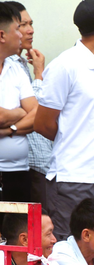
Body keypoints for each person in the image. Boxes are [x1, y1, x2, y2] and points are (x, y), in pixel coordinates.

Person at [33, 0, 94, 240]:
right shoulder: (66, 65)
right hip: (73, 178)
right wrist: (76, 139)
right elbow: (42, 123)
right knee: (70, 247)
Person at [6, 1, 50, 206]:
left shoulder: (18, 65)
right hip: (28, 164)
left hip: (26, 166)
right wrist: (39, 75)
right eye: (21, 26)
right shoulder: (12, 64)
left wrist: (12, 125)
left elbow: (35, 113)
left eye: (30, 24)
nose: (29, 31)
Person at [0, 3, 37, 206]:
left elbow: (36, 116)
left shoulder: (16, 68)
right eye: (17, 29)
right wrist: (21, 111)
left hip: (19, 171)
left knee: (17, 233)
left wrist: (9, 129)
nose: (22, 35)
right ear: (2, 35)